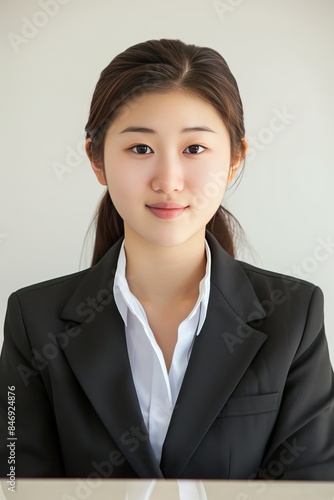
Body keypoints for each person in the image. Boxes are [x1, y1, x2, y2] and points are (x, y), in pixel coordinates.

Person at [0, 39, 333, 480]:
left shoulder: (293, 314)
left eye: (194, 149)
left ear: (234, 160)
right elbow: (16, 483)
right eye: (140, 149)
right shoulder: (33, 317)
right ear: (97, 160)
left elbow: (310, 487)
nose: (169, 181)